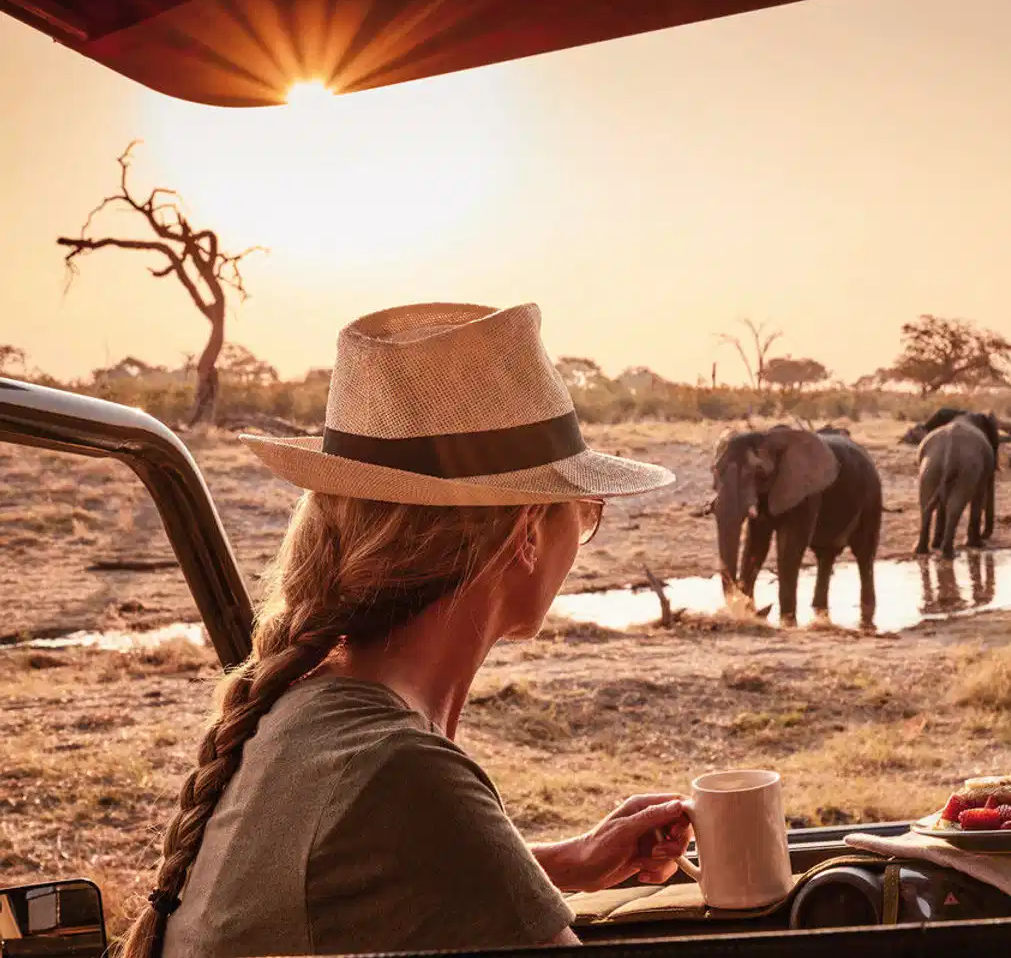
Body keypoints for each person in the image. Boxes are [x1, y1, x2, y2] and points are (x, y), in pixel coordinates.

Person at [123, 303, 690, 958]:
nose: (583, 534)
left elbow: (367, 882)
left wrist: (564, 863)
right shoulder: (401, 770)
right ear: (527, 529)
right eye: (585, 511)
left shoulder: (309, 709)